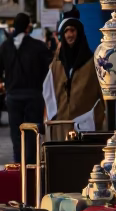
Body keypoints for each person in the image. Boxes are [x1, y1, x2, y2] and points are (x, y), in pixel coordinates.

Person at [0, 12, 51, 165]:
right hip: (34, 96)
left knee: (16, 132)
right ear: (28, 27)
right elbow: (48, 71)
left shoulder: (4, 47)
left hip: (13, 96)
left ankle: (19, 163)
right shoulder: (38, 46)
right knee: (32, 132)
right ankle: (31, 164)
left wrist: (2, 86)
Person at [42, 9, 104, 137]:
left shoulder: (92, 63)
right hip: (60, 126)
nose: (69, 35)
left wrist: (97, 119)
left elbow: (102, 97)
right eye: (66, 31)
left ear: (79, 33)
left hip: (86, 127)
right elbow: (48, 95)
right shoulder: (56, 65)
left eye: (73, 30)